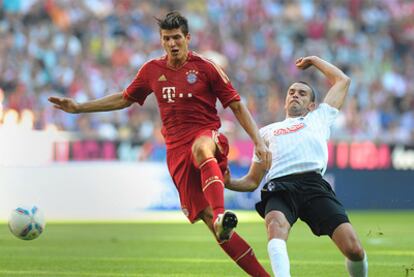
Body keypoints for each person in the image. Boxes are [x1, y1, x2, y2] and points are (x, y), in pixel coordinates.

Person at [49, 11, 271, 277]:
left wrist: (257, 140)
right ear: (161, 40)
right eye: (167, 38)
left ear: (187, 38)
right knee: (214, 227)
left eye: (177, 37)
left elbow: (236, 105)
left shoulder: (206, 67)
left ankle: (223, 213)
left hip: (206, 135)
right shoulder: (152, 70)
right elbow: (124, 98)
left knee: (202, 150)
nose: (173, 43)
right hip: (176, 151)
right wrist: (79, 108)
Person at [225, 56, 368, 277]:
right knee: (275, 227)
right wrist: (227, 182)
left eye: (302, 93)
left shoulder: (319, 118)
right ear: (284, 101)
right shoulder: (265, 132)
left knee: (354, 249)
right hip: (280, 187)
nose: (295, 95)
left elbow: (342, 81)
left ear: (311, 105)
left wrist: (314, 60)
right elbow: (252, 181)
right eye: (291, 92)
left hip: (314, 185)